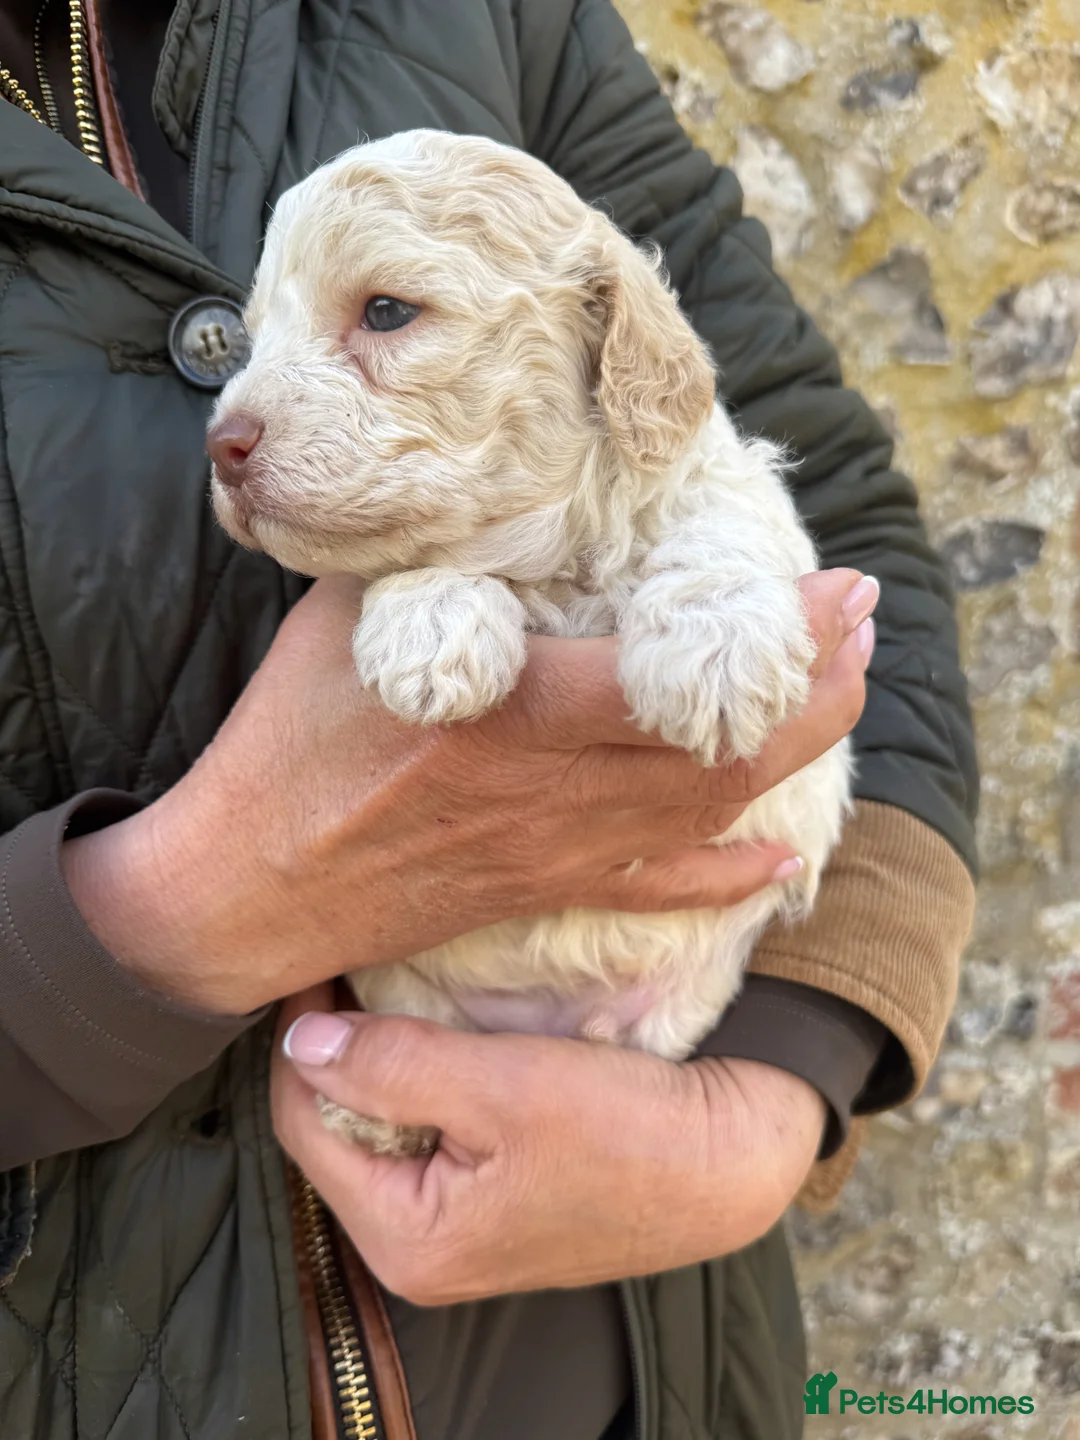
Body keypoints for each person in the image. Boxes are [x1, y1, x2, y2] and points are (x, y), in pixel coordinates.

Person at [0, 2, 977, 1438]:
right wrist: (161, 923)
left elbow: (828, 504)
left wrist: (774, 1087)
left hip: (631, 1363)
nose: (239, 412)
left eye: (386, 313)